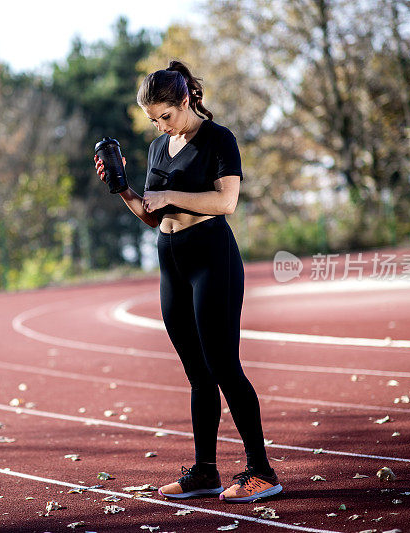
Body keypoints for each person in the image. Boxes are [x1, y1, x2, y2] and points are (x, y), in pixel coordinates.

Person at [94, 60, 283, 504]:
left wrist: (170, 195)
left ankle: (262, 470)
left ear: (185, 100)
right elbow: (149, 214)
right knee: (197, 373)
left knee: (224, 367)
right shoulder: (161, 149)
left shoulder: (219, 139)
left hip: (211, 257)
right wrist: (122, 187)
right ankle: (206, 472)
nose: (161, 126)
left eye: (166, 115)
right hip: (170, 259)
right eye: (153, 120)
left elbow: (227, 201)